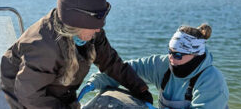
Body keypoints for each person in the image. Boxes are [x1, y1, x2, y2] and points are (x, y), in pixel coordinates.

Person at [0, 0, 153, 109]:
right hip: (22, 94)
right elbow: (29, 96)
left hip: (58, 89)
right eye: (93, 27)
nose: (98, 30)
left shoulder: (91, 32)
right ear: (74, 24)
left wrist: (139, 88)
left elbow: (111, 62)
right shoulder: (44, 47)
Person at [82, 24, 229, 109]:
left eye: (178, 55)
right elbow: (126, 71)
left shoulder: (212, 81)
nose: (171, 58)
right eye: (170, 52)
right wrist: (94, 83)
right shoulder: (164, 65)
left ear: (195, 55)